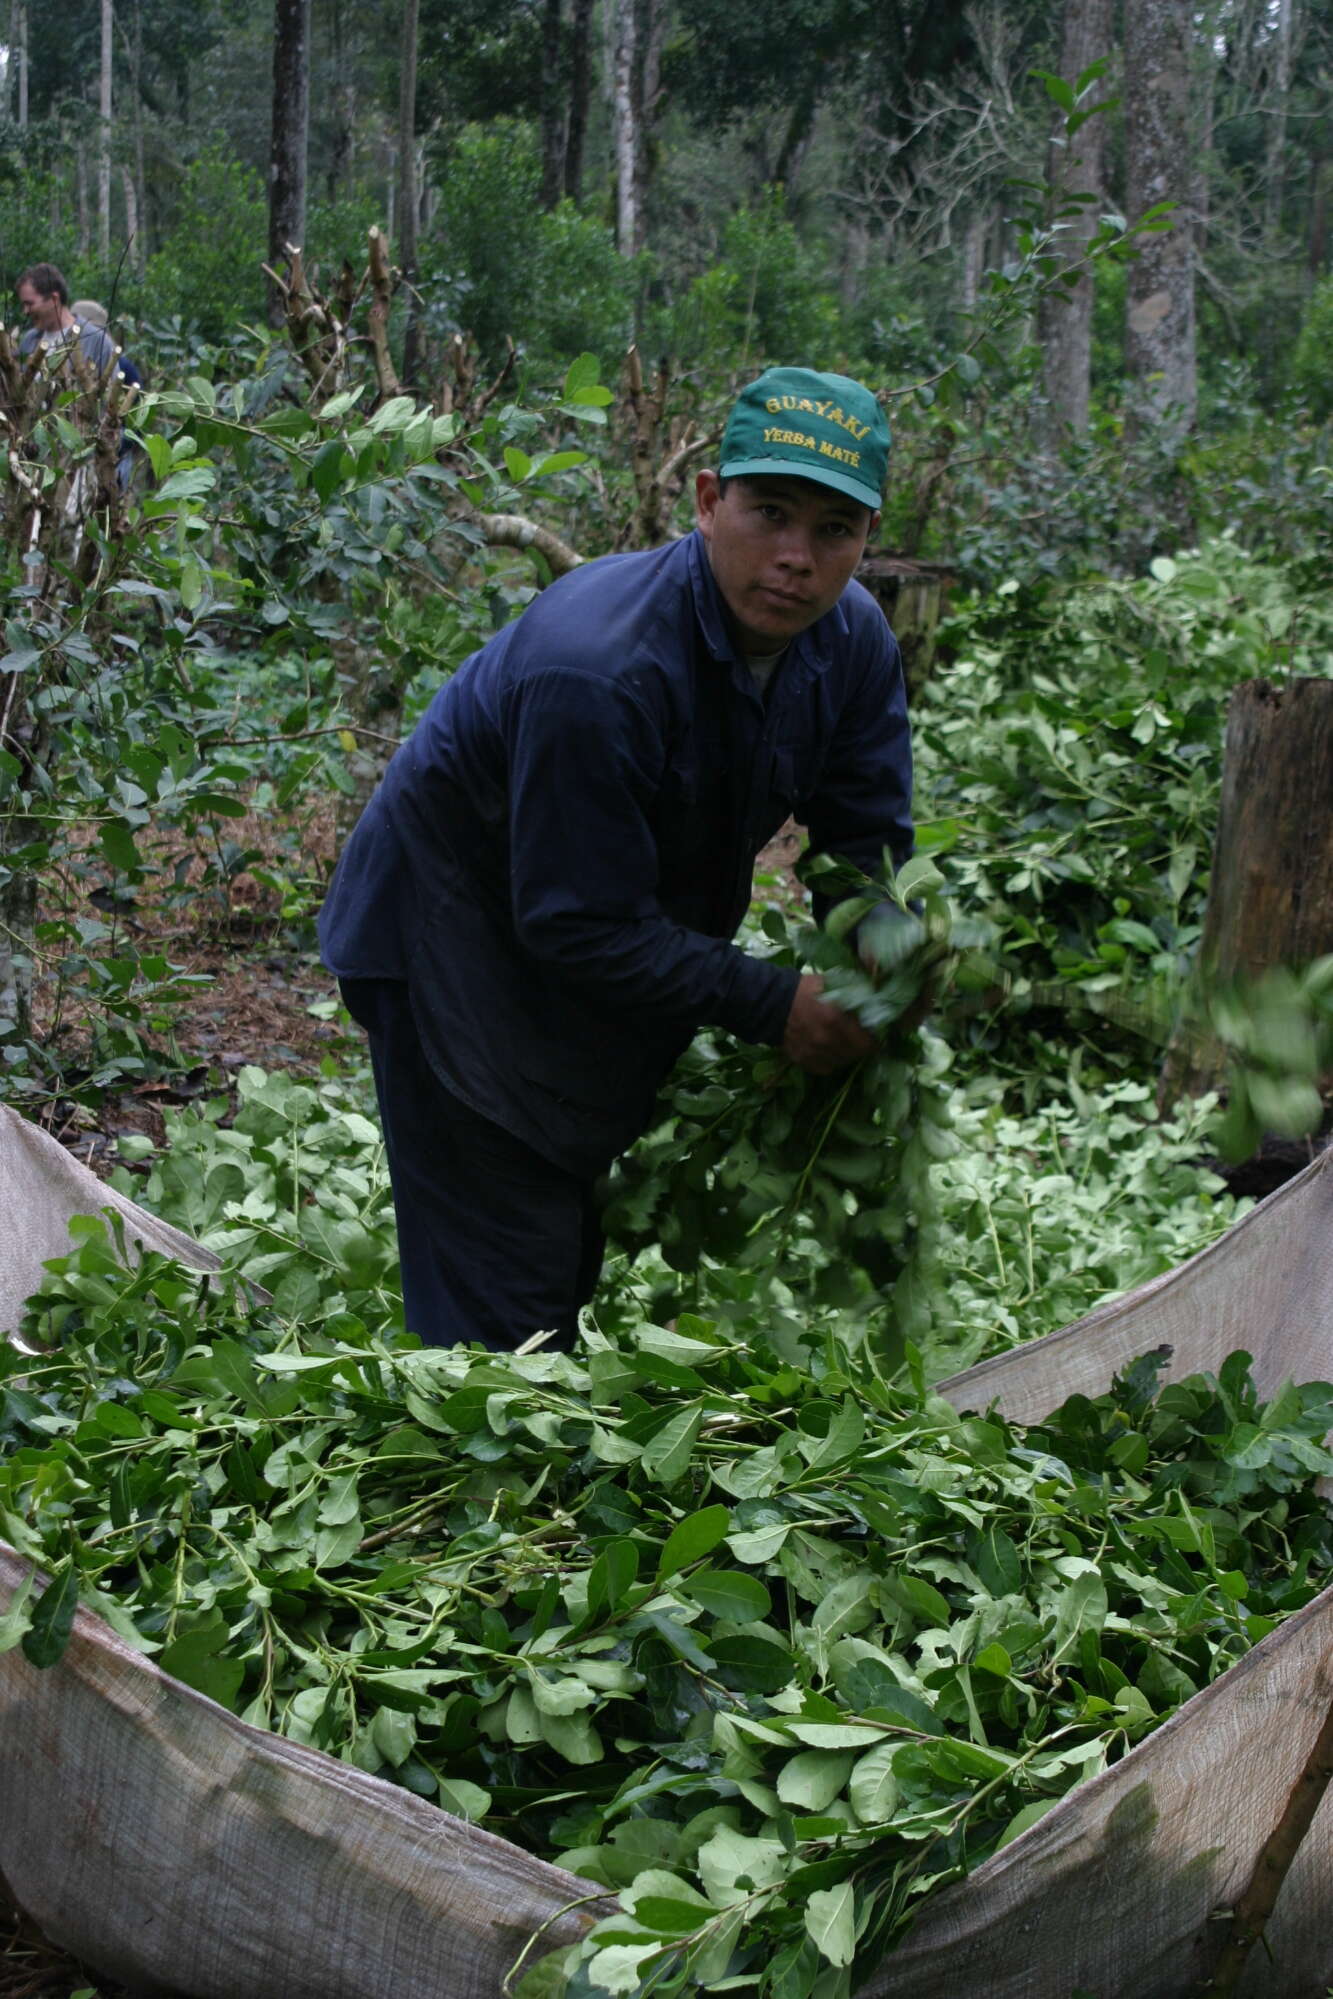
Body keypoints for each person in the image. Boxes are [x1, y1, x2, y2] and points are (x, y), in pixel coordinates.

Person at [318, 364, 914, 1352]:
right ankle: (477, 1468)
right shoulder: (597, 668)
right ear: (707, 502)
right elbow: (573, 920)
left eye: (833, 531)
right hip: (447, 938)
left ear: (866, 540)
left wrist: (880, 951)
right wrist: (776, 1006)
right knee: (505, 1332)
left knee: (560, 1224)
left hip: (588, 922)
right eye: (769, 513)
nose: (796, 558)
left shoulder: (849, 643)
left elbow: (865, 840)